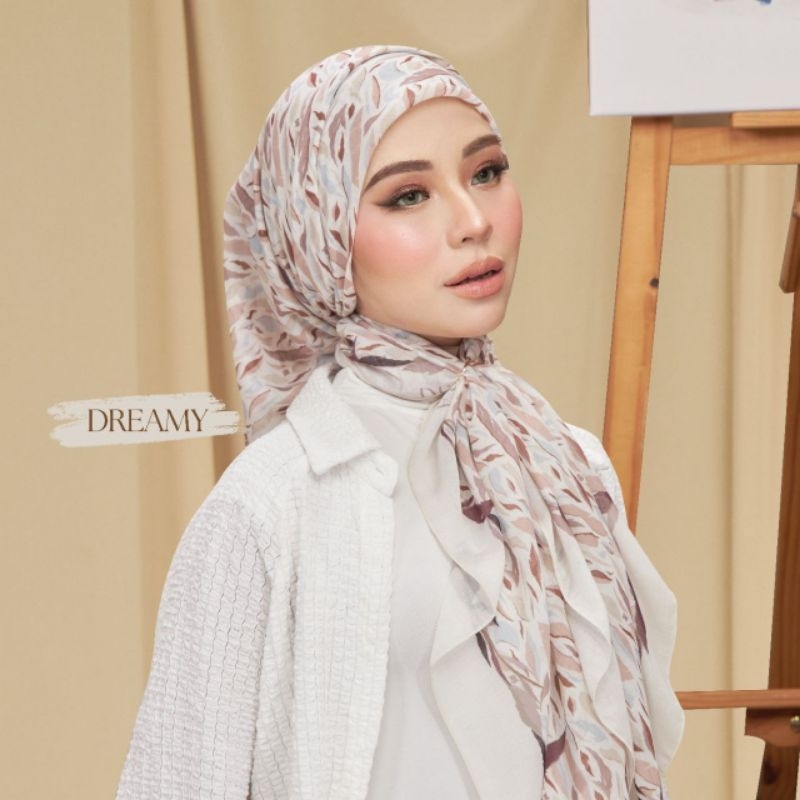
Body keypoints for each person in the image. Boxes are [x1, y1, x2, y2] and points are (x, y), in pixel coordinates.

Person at [116, 45, 683, 799]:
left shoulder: (567, 463)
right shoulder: (271, 503)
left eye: (486, 172)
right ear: (318, 237)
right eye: (408, 196)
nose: (474, 221)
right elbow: (176, 782)